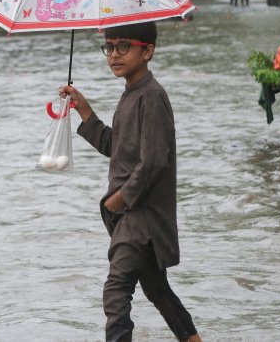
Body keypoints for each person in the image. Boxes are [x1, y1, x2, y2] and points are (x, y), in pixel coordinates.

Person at [60, 22, 201, 342]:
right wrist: (83, 108)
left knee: (116, 289)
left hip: (141, 216)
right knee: (157, 290)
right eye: (109, 47)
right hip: (134, 215)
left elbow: (153, 161)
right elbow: (118, 147)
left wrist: (121, 198)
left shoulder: (151, 96)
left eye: (124, 46)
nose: (114, 55)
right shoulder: (131, 94)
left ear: (147, 51)